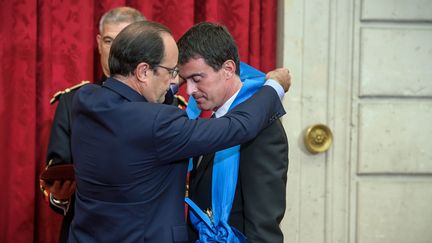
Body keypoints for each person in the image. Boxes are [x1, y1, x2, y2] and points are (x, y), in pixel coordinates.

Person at [68, 20, 290, 242]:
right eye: (172, 71)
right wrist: (274, 87)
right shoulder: (157, 122)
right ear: (144, 71)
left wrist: (169, 81)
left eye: (193, 77)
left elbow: (263, 225)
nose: (182, 85)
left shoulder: (85, 99)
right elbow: (239, 126)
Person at [39, 7, 147, 243]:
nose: (114, 50)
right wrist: (60, 195)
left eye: (124, 41)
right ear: (99, 43)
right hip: (87, 231)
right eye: (109, 40)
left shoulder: (166, 105)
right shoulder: (72, 101)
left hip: (145, 232)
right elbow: (56, 173)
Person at [177, 22, 288, 242]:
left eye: (197, 79)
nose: (189, 91)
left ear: (228, 69)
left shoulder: (262, 129)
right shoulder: (210, 118)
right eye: (186, 80)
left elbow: (263, 224)